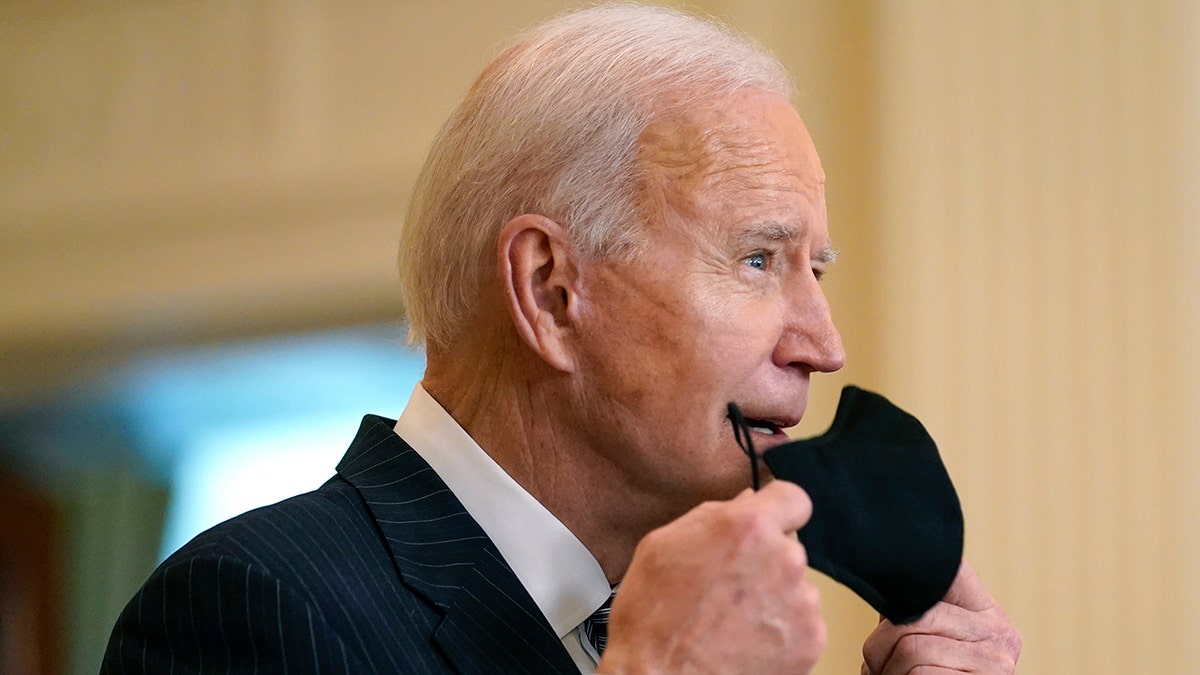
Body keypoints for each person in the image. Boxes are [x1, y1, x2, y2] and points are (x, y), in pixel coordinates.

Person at [102, 4, 1020, 674]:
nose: (824, 344)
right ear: (550, 289)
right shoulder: (246, 610)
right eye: (756, 260)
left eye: (814, 271)